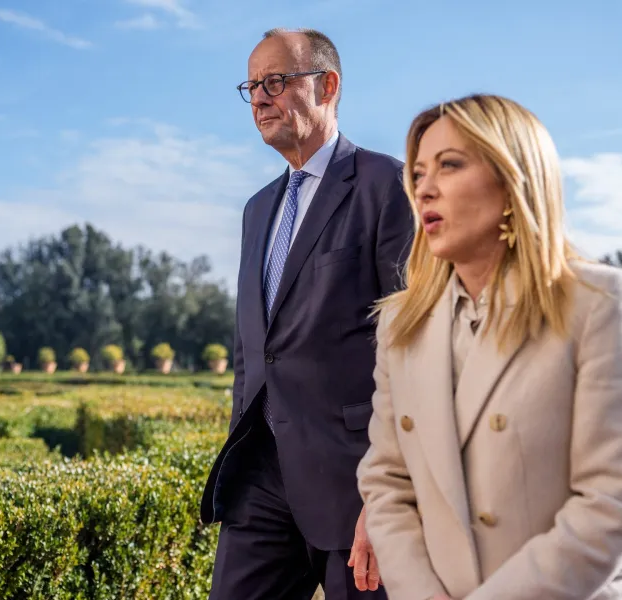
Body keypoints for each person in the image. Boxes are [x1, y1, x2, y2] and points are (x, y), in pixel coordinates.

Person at [356, 93, 622, 600]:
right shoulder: (400, 325)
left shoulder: (600, 304)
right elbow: (387, 484)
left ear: (512, 179)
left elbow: (612, 503)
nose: (424, 189)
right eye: (418, 173)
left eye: (449, 165)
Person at [198, 27, 414, 600]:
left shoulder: (387, 186)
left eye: (275, 81)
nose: (260, 98)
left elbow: (413, 349)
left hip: (354, 480)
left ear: (328, 86)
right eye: (251, 87)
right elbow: (252, 349)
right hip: (259, 479)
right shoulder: (256, 209)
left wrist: (392, 489)